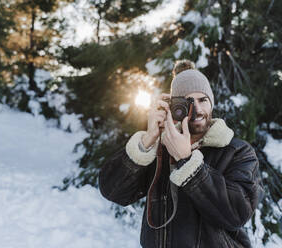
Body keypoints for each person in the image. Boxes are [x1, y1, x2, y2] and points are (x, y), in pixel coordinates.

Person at [98, 59, 264, 248]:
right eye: (188, 102)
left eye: (203, 100)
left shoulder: (237, 151)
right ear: (175, 107)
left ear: (212, 103)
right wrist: (147, 141)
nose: (197, 109)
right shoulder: (161, 149)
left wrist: (188, 163)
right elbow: (113, 191)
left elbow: (237, 213)